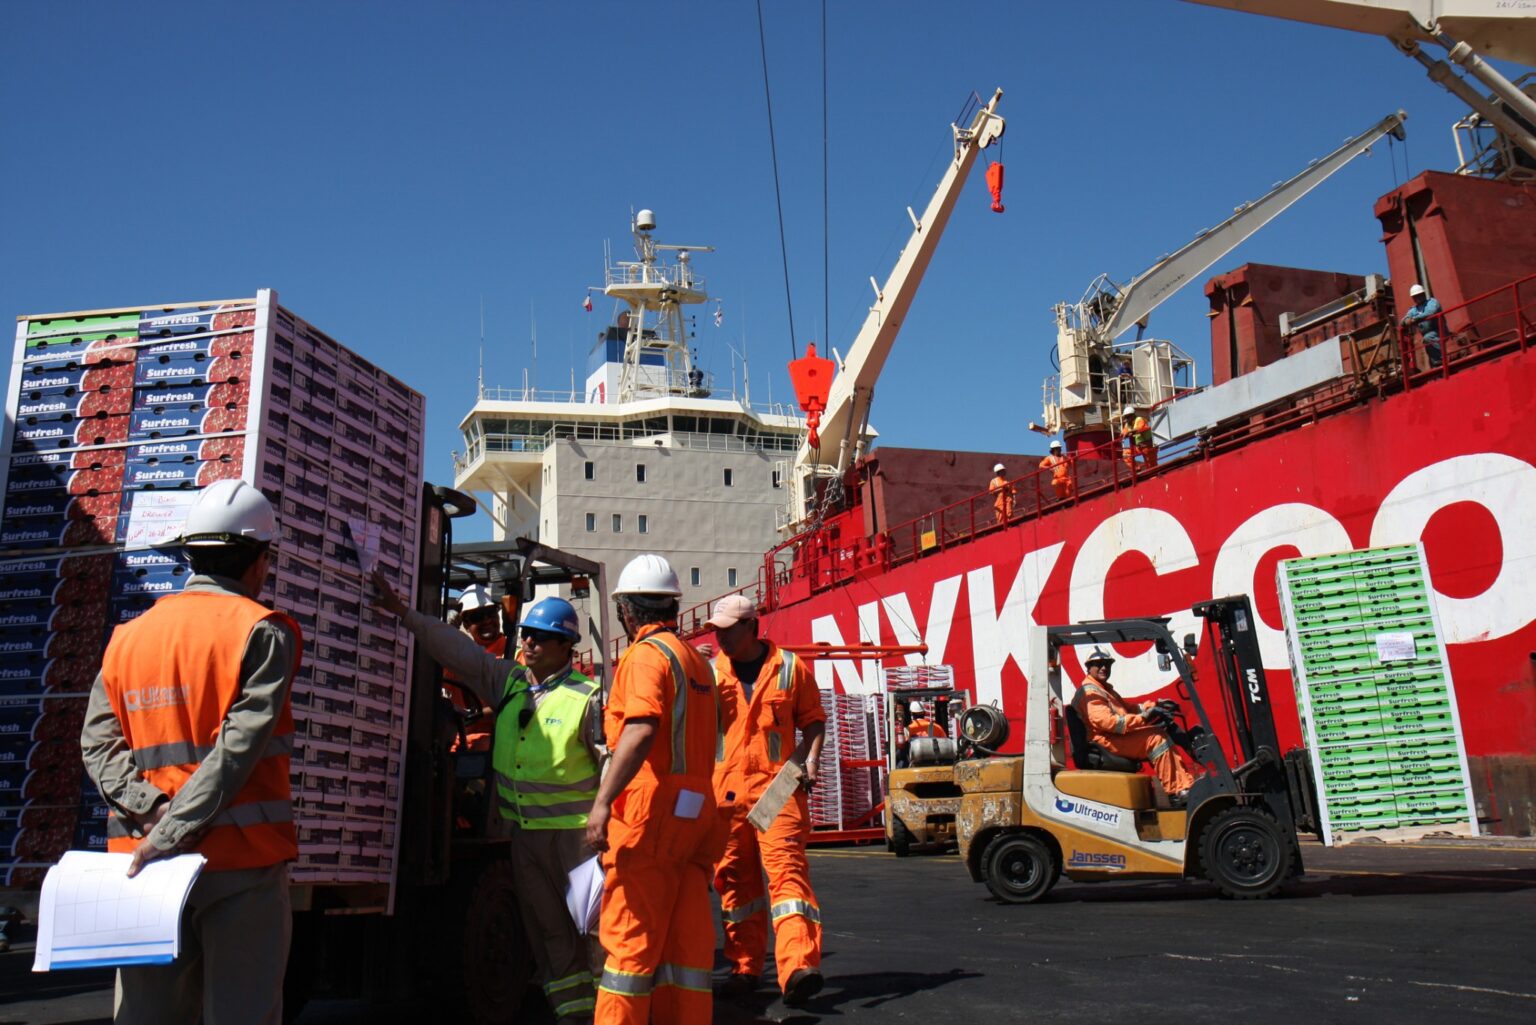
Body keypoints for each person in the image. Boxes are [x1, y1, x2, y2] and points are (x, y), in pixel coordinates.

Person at [81, 479, 299, 1025]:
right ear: (260, 561)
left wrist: (152, 814)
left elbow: (97, 745)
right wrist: (175, 827)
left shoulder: (128, 637)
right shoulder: (263, 630)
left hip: (142, 866)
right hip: (240, 864)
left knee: (146, 1016)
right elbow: (236, 751)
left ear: (190, 554)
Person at [371, 582, 603, 1025]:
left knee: (596, 933)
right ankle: (573, 1017)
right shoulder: (510, 682)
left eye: (541, 637)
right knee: (549, 934)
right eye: (527, 634)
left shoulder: (588, 698)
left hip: (578, 842)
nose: (529, 643)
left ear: (566, 646)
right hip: (526, 838)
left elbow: (610, 767)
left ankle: (612, 1015)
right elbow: (459, 652)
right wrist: (405, 614)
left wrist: (605, 821)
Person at [586, 554, 723, 1025]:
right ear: (672, 606)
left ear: (627, 610)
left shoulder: (646, 656)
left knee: (629, 945)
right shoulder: (695, 661)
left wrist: (603, 802)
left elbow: (642, 728)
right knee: (684, 948)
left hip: (651, 817)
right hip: (696, 815)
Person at [707, 595, 826, 1007]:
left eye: (728, 629)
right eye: (717, 630)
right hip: (726, 795)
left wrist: (810, 762)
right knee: (735, 883)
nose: (720, 637)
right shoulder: (710, 674)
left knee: (787, 876)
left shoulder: (790, 668)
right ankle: (744, 968)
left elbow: (813, 722)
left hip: (778, 789)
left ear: (751, 626)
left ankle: (798, 968)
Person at [1071, 648, 1194, 800]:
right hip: (1104, 741)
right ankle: (1178, 791)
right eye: (1098, 664)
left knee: (1163, 728)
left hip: (1112, 737)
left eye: (1107, 664)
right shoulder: (1090, 692)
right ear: (1089, 667)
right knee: (1155, 739)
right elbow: (1109, 723)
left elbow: (1128, 709)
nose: (1104, 667)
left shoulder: (1103, 688)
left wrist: (1154, 706)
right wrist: (1144, 718)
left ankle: (1182, 784)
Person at [442, 585, 505, 752]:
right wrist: (444, 634)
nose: (487, 621)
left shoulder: (514, 655)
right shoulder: (459, 657)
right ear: (466, 624)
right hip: (458, 745)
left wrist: (476, 714)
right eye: (478, 617)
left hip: (498, 744)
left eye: (491, 613)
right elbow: (430, 675)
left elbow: (516, 703)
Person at [1401, 283, 1443, 368]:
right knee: (1427, 338)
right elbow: (1403, 321)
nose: (1417, 298)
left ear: (1423, 294)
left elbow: (1430, 312)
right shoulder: (1414, 310)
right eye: (1415, 296)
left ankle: (1439, 360)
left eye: (1419, 295)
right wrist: (1406, 321)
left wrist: (1415, 319)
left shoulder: (1432, 302)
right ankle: (1435, 363)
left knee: (1428, 337)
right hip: (1428, 336)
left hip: (1439, 331)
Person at [1120, 406, 1156, 471]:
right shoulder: (1128, 424)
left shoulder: (1139, 419)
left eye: (1128, 416)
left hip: (1148, 445)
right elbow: (1124, 432)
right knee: (1126, 455)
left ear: (1133, 415)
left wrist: (1129, 432)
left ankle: (1154, 473)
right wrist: (1122, 434)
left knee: (1151, 465)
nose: (1127, 418)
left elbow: (1139, 428)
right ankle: (1136, 469)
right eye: (1126, 417)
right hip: (1138, 446)